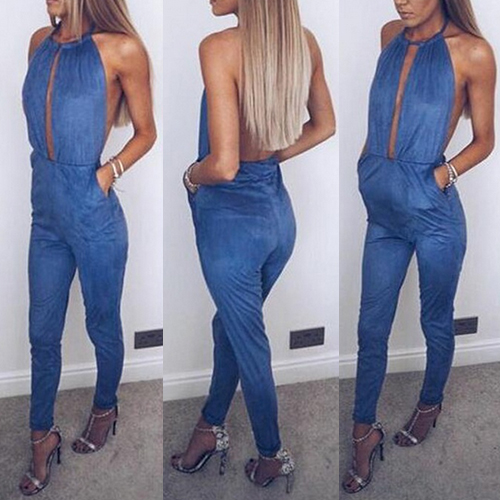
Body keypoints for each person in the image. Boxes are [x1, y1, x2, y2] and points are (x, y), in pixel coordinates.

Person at [170, 0, 335, 493]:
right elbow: (324, 125)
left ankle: (271, 454)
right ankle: (210, 425)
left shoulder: (218, 48)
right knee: (229, 327)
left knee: (249, 345)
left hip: (232, 228)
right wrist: (268, 155)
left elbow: (222, 166)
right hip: (278, 219)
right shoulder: (303, 43)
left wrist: (190, 176)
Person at [342, 0, 495, 494]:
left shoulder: (473, 52)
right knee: (371, 327)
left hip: (434, 216)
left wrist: (438, 177)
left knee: (435, 319)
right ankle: (363, 430)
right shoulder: (389, 34)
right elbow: (385, 116)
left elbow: (484, 140)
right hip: (383, 214)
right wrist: (367, 166)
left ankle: (430, 403)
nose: (402, 1)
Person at [20, 0, 156, 495]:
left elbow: (146, 133)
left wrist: (105, 174)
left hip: (95, 219)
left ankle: (105, 406)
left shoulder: (122, 50)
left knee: (101, 323)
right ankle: (41, 434)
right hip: (45, 217)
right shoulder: (39, 43)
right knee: (41, 334)